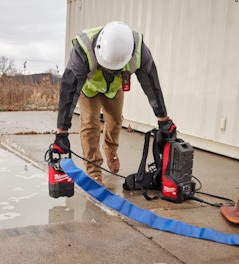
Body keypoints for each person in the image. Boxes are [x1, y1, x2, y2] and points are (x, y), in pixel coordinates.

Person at [54, 21, 176, 184]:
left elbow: (151, 85)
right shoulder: (83, 50)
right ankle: (93, 169)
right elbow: (68, 90)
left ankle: (111, 151)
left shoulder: (139, 51)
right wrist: (62, 131)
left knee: (116, 119)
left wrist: (163, 119)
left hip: (114, 88)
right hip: (89, 89)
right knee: (91, 124)